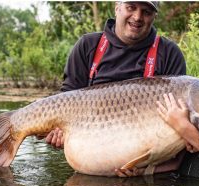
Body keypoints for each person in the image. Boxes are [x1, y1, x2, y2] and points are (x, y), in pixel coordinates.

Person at [45, 1, 186, 150]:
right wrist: (58, 130)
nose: (138, 17)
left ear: (154, 16)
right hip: (92, 149)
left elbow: (179, 117)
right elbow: (67, 97)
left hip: (148, 152)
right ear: (117, 7)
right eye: (131, 7)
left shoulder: (169, 53)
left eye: (146, 12)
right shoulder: (88, 45)